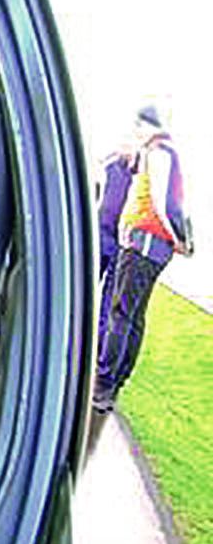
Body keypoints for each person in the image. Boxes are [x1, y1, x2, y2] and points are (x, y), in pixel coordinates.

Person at [95, 104, 192, 411]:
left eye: (138, 128)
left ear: (146, 126)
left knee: (121, 314)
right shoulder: (168, 154)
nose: (135, 134)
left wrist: (177, 240)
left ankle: (104, 384)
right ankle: (115, 382)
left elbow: (161, 204)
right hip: (153, 248)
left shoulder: (159, 152)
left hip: (143, 244)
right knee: (133, 317)